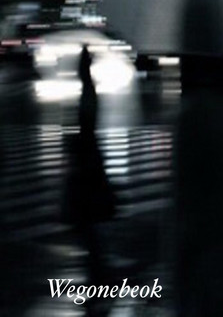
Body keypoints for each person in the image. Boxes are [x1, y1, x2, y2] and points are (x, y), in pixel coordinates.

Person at [61, 46, 117, 293]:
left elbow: (86, 126)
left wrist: (74, 142)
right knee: (89, 223)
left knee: (86, 222)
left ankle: (99, 272)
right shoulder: (88, 92)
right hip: (89, 163)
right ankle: (98, 269)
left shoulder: (87, 94)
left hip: (86, 167)